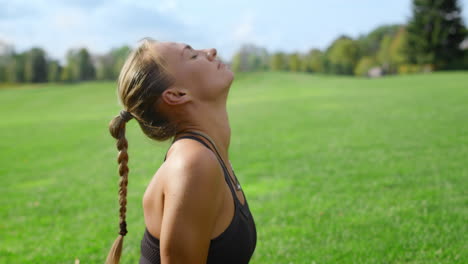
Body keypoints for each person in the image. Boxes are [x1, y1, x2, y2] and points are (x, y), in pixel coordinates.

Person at [106, 38, 257, 264]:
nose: (211, 50)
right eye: (193, 55)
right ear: (177, 94)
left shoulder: (206, 154)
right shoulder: (192, 163)